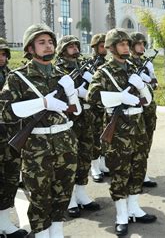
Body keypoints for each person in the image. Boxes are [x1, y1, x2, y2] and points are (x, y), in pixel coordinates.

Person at [0, 24, 81, 238]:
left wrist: (72, 94)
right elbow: (6, 112)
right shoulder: (17, 78)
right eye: (41, 42)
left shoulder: (62, 75)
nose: (48, 46)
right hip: (37, 147)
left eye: (51, 42)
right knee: (39, 197)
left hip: (65, 142)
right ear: (30, 48)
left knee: (62, 194)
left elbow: (76, 111)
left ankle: (57, 233)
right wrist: (43, 102)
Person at [87, 28, 156, 236]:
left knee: (138, 166)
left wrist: (142, 87)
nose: (126, 47)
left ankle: (134, 207)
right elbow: (93, 98)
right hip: (118, 129)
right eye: (122, 44)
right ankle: (121, 214)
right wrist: (120, 97)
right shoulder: (104, 72)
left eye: (127, 44)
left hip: (138, 124)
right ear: (111, 48)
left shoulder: (134, 67)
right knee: (120, 171)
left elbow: (148, 99)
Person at [55, 35, 102, 219]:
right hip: (69, 120)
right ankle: (70, 198)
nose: (74, 48)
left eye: (76, 45)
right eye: (70, 46)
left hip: (86, 118)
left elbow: (95, 90)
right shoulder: (57, 70)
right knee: (70, 160)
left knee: (85, 156)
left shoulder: (83, 67)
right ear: (62, 49)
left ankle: (82, 193)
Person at [0, 38, 28, 238]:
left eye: (3, 53)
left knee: (10, 180)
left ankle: (4, 223)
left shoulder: (11, 76)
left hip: (10, 137)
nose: (1, 57)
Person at [129, 31, 158, 188]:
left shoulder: (146, 63)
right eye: (138, 44)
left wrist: (151, 75)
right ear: (132, 46)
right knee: (135, 144)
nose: (142, 47)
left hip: (149, 108)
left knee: (147, 141)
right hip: (136, 108)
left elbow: (155, 84)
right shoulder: (128, 63)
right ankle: (133, 176)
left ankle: (142, 172)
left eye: (143, 44)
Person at [88, 33, 110, 183]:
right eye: (101, 46)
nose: (104, 49)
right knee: (95, 137)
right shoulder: (89, 64)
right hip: (93, 108)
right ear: (95, 48)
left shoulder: (107, 64)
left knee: (105, 137)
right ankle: (94, 166)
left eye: (106, 46)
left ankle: (102, 162)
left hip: (106, 106)